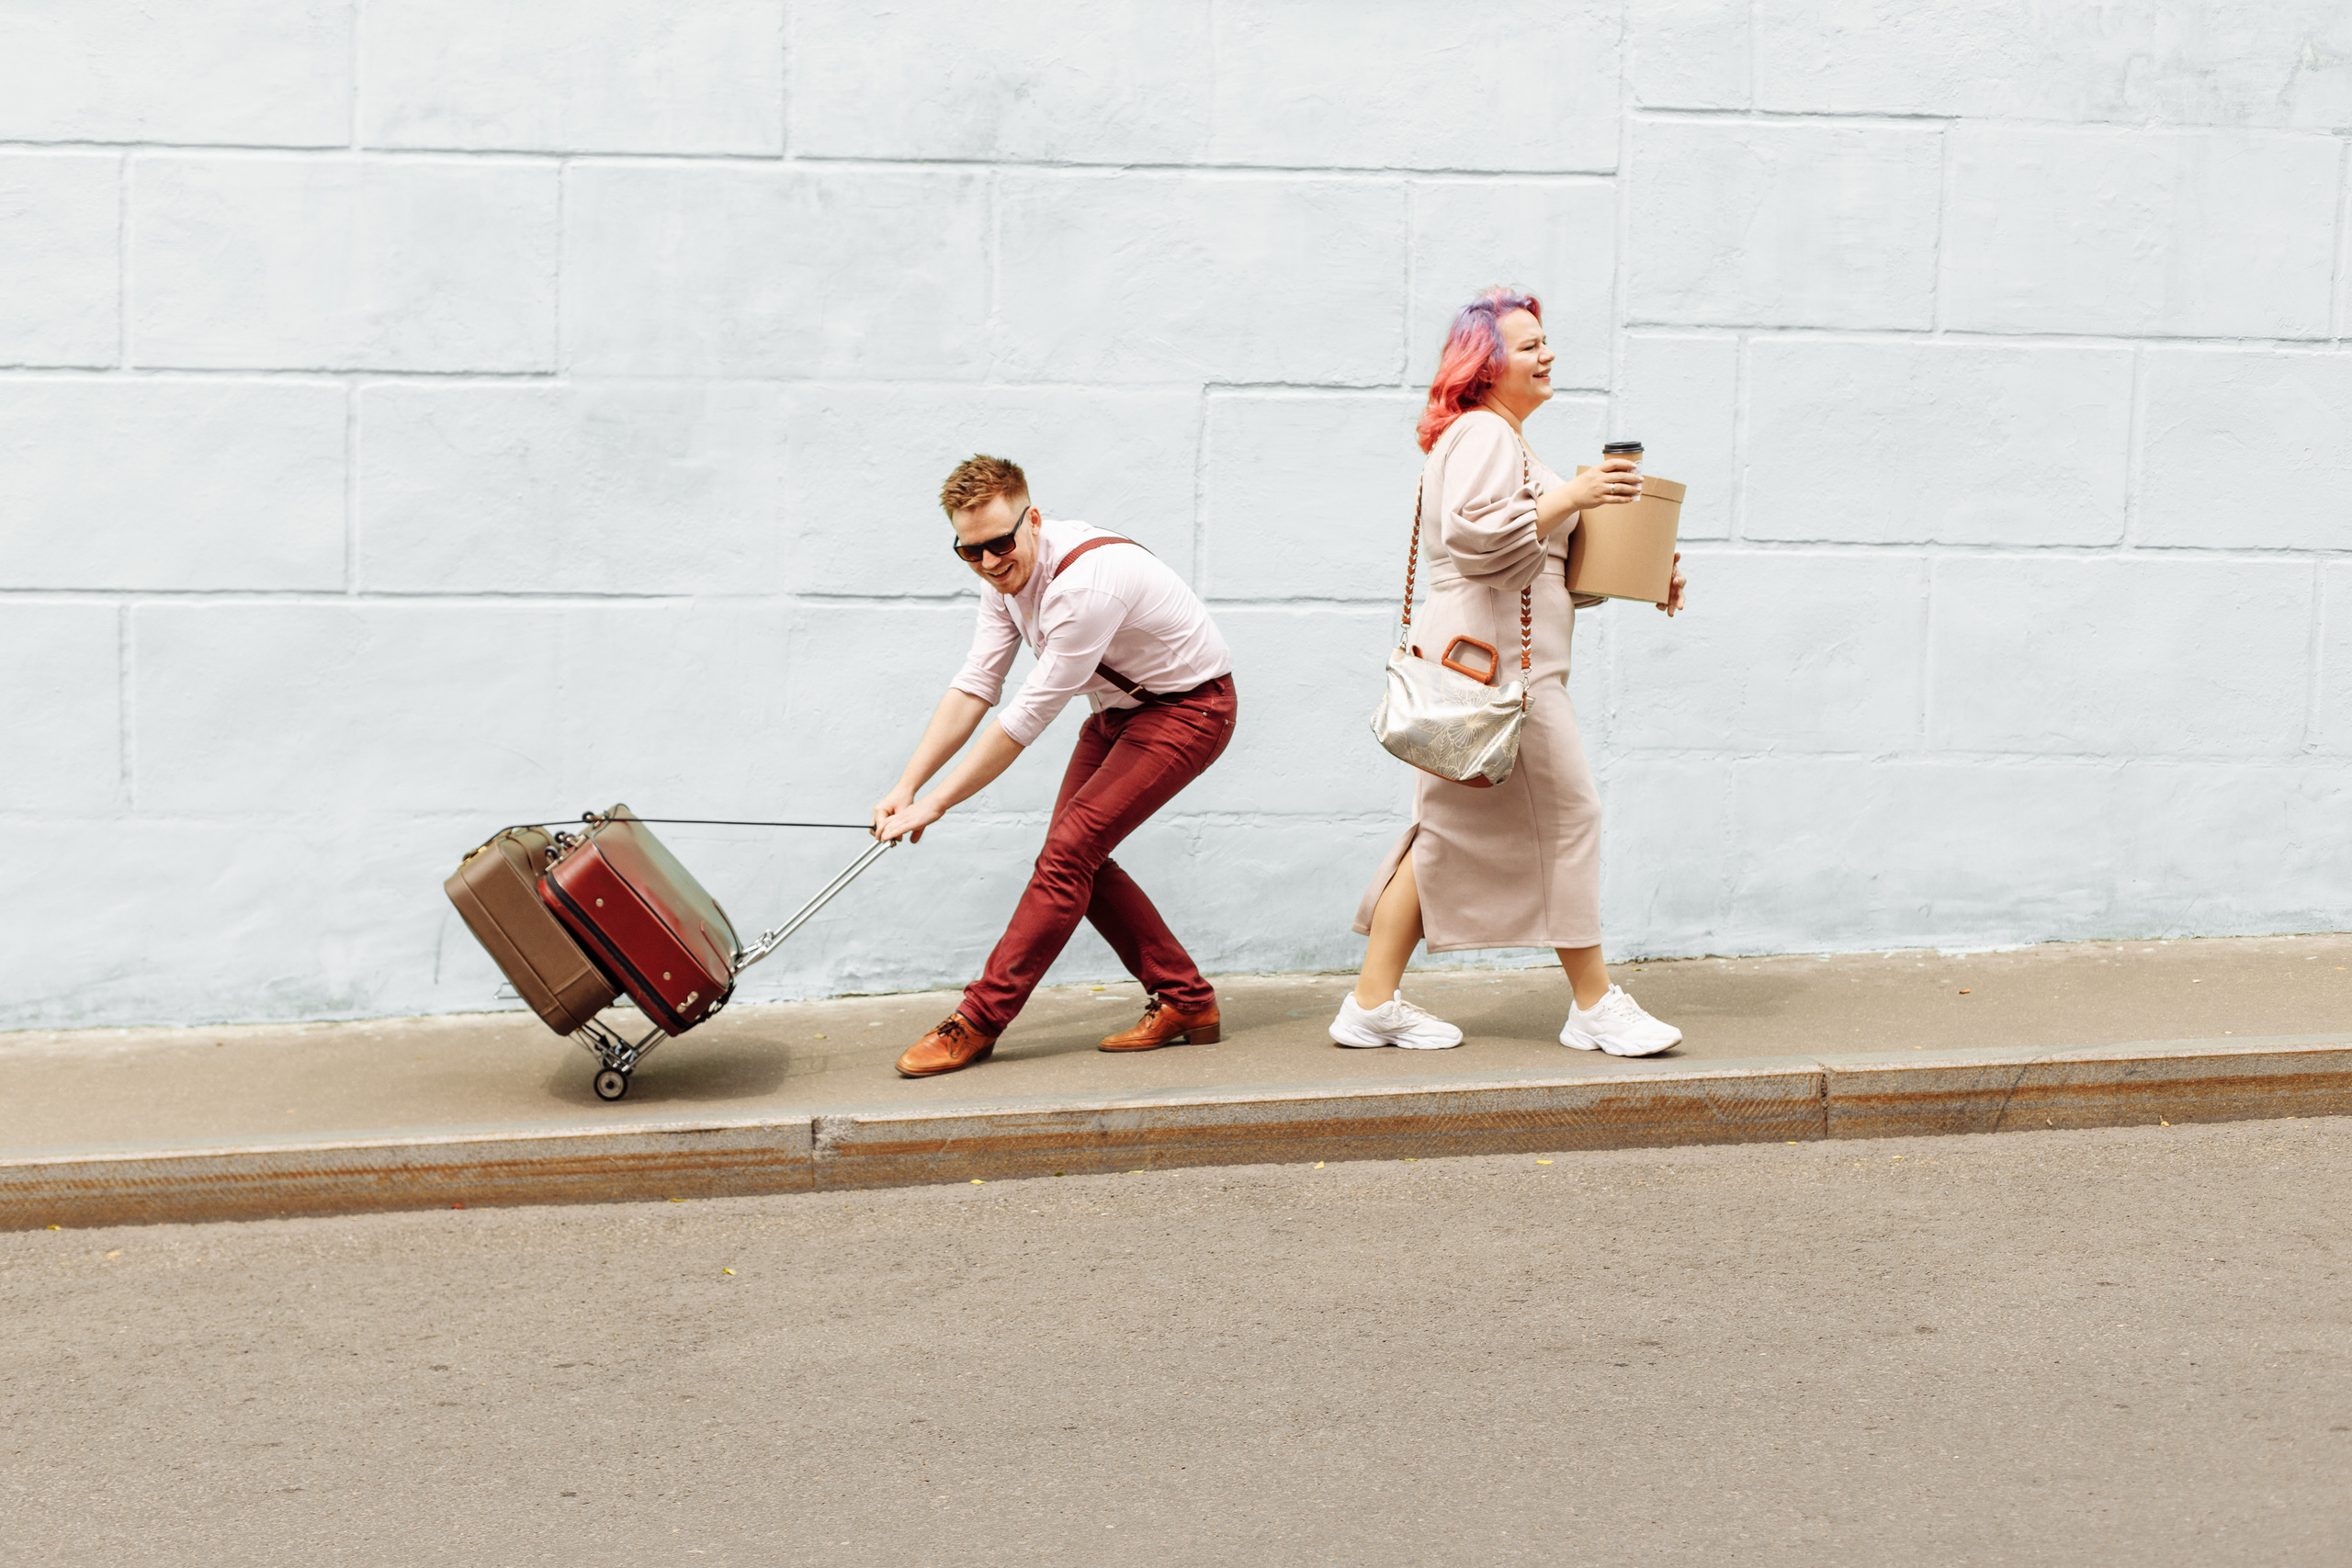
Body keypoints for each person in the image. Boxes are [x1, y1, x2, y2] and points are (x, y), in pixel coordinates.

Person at [1334, 288, 1689, 1056]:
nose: (1547, 353)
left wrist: (1645, 571)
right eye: (1530, 345)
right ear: (1488, 365)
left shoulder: (1502, 439)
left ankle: (1370, 1003)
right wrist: (1575, 494)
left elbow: (1534, 567)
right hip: (1500, 676)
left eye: (1544, 340)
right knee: (1571, 817)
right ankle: (1594, 1004)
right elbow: (1477, 540)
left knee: (1448, 831)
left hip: (1486, 666)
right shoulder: (1485, 434)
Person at [873, 455, 1238, 1077]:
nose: (989, 562)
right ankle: (1186, 1000)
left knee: (1068, 855)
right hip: (1119, 711)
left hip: (1190, 710)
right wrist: (907, 785)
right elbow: (977, 684)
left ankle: (979, 1018)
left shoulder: (1084, 587)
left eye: (1000, 543)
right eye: (969, 551)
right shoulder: (1003, 580)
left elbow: (1023, 720)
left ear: (1033, 519)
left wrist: (936, 804)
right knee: (1073, 857)